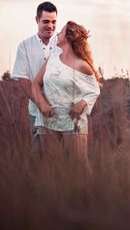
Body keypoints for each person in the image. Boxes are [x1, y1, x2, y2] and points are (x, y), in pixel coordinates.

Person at [31, 20, 101, 160]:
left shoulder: (82, 65)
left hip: (72, 121)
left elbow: (94, 90)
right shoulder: (53, 59)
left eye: (61, 32)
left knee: (79, 166)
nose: (57, 34)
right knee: (52, 166)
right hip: (48, 120)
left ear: (68, 37)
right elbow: (35, 84)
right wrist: (42, 104)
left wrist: (82, 103)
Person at [12, 1, 58, 149]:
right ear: (37, 20)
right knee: (39, 155)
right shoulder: (25, 46)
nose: (50, 26)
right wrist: (42, 104)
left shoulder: (62, 43)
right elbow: (23, 79)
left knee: (63, 158)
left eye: (53, 22)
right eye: (45, 21)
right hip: (36, 111)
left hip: (62, 111)